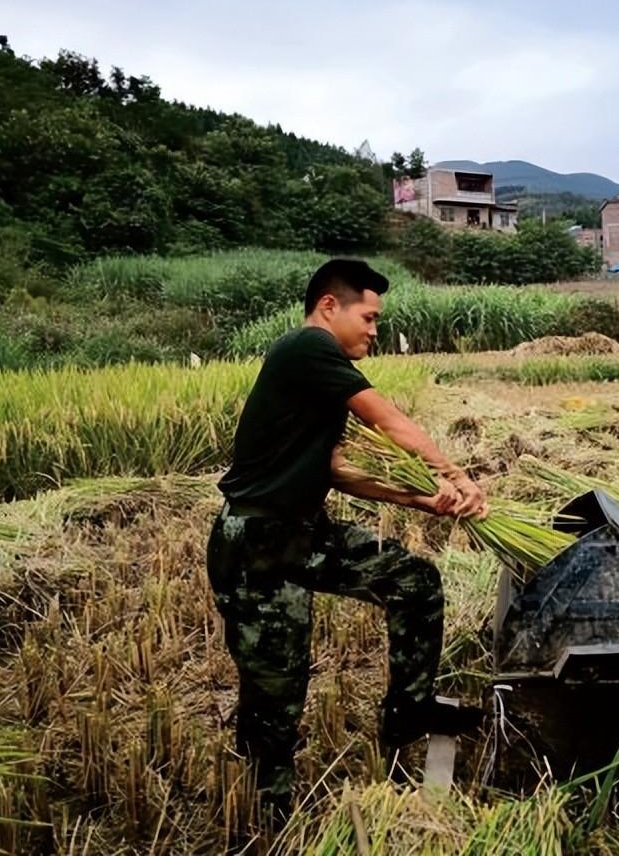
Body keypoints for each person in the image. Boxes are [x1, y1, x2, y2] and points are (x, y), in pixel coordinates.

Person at [207, 258, 487, 813]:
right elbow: (388, 419)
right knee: (277, 688)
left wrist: (420, 500)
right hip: (256, 542)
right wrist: (454, 475)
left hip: (304, 531)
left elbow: (334, 469)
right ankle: (269, 809)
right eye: (370, 316)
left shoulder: (316, 376)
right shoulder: (308, 348)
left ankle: (410, 709)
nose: (375, 330)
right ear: (329, 307)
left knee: (414, 580)